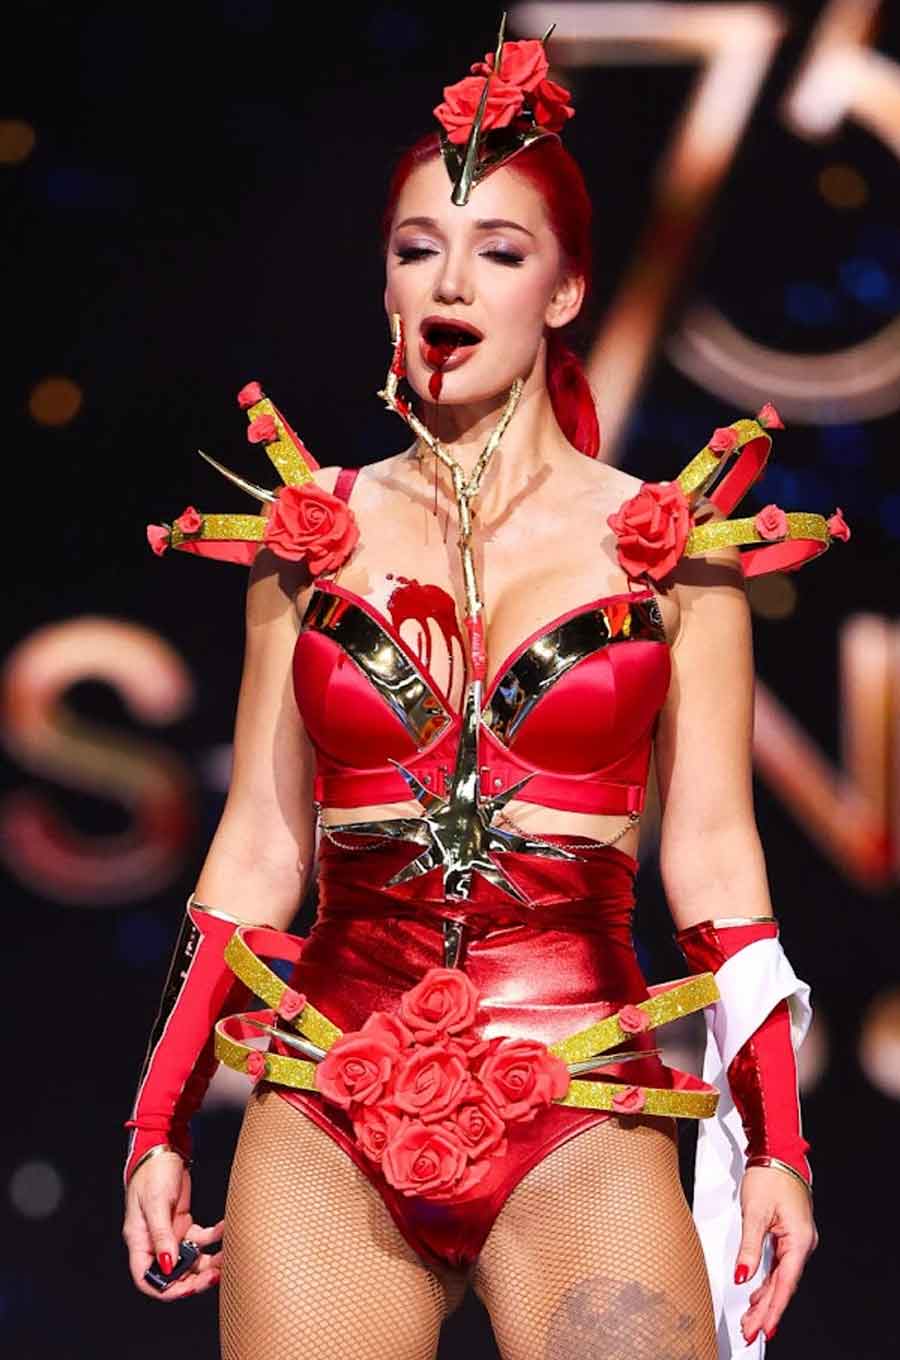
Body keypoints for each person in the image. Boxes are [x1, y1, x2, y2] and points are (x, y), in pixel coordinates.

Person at [122, 20, 849, 1360]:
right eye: (418, 248)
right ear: (389, 285)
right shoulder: (308, 534)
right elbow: (260, 847)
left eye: (497, 252)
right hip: (329, 1107)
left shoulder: (678, 554)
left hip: (583, 1107)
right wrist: (154, 1124)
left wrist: (780, 1150)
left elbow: (715, 868)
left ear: (563, 291)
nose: (451, 279)